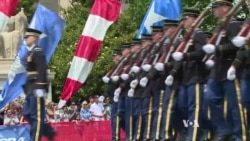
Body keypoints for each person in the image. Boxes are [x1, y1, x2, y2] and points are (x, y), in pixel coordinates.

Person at [202, 0, 247, 140]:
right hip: (217, 71)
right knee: (210, 99)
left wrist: (217, 49)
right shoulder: (220, 27)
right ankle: (224, 129)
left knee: (236, 106)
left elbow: (236, 45)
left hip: (230, 70)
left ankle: (241, 136)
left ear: (226, 8)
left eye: (217, 7)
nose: (214, 10)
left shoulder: (233, 25)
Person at [22, 28, 56, 141]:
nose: (25, 39)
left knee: (36, 117)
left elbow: (42, 69)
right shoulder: (31, 52)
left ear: (34, 38)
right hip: (31, 87)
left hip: (37, 86)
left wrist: (41, 86)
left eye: (28, 37)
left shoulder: (37, 51)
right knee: (27, 113)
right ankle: (48, 131)